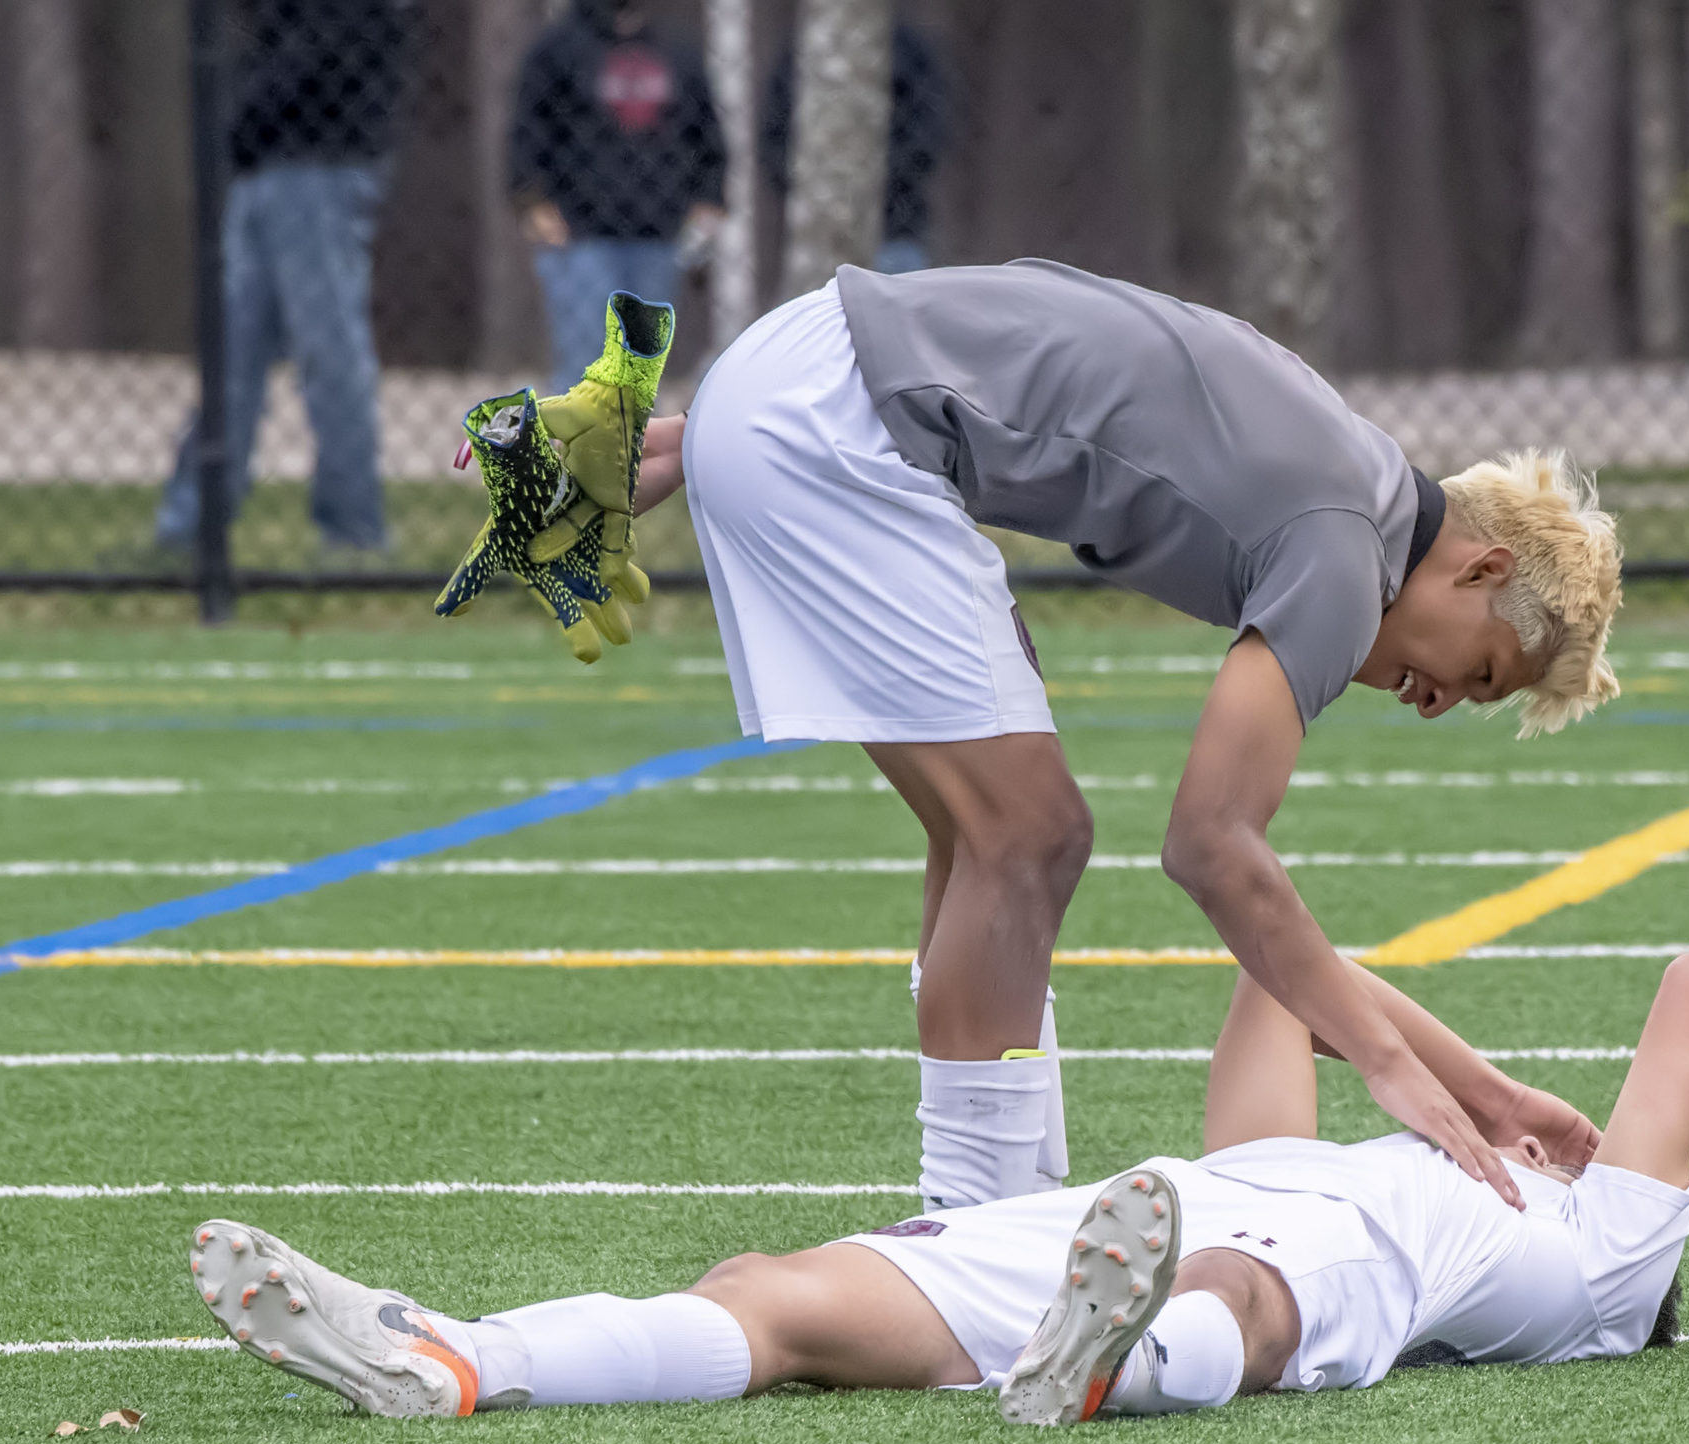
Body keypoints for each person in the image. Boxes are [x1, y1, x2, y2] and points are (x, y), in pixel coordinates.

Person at [602, 259, 1620, 1223]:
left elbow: (1068, 339)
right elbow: (1210, 844)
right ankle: (971, 1237)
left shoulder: (1346, 466)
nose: (1437, 701)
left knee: (988, 841)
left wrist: (682, 441)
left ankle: (990, 1214)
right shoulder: (1345, 545)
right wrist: (1399, 1070)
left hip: (807, 384)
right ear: (1482, 571)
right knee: (1028, 835)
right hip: (829, 424)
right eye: (1480, 671)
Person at [186, 950, 1689, 1423]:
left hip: (1257, 1262)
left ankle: (1114, 1364)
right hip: (1107, 1234)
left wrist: (1517, 1119)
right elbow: (1294, 980)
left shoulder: (1599, 1266)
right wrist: (1474, 1093)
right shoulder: (1335, 1146)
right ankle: (462, 1356)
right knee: (764, 1290)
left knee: (1238, 1298)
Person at [154, 0, 419, 558]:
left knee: (329, 354)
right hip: (272, 163)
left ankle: (354, 529)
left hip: (320, 162)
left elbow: (323, 50)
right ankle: (191, 525)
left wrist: (240, 124)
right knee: (233, 353)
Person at [508, 0, 727, 394]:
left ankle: (629, 453)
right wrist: (533, 202)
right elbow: (527, 131)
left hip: (659, 232)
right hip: (579, 232)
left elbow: (706, 136)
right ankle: (580, 454)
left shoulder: (677, 48)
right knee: (585, 364)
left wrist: (708, 204)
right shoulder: (559, 47)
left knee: (640, 371)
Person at [762, 22, 950, 274]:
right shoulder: (805, 50)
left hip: (893, 226)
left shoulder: (905, 49)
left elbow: (930, 134)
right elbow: (772, 140)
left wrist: (876, 177)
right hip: (817, 231)